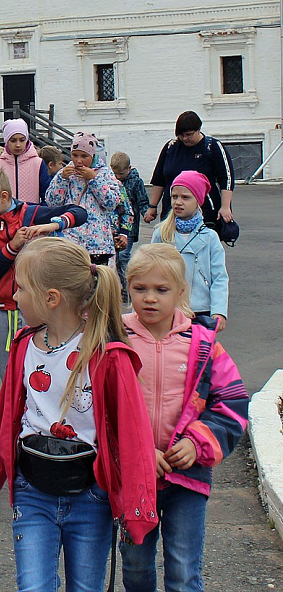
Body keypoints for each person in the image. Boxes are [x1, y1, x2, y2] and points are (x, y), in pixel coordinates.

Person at [0, 237, 159, 592]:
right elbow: (8, 421)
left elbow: (135, 439)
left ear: (51, 298)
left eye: (20, 288)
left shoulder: (108, 355)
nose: (14, 296)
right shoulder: (23, 345)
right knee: (33, 587)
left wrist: (138, 509)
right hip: (31, 491)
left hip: (91, 497)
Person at [121, 244, 248, 592]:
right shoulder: (115, 338)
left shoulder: (203, 344)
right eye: (140, 288)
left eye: (161, 290)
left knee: (183, 568)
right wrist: (139, 453)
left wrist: (198, 442)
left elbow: (233, 402)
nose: (150, 298)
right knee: (135, 566)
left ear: (180, 291)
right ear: (127, 287)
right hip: (134, 476)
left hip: (188, 476)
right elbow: (100, 408)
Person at [0, 164, 87, 379]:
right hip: (3, 311)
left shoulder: (31, 214)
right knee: (8, 373)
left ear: (4, 196)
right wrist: (12, 247)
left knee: (42, 368)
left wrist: (54, 225)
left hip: (38, 306)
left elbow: (79, 213)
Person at [151, 170, 229, 329]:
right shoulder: (161, 234)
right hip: (168, 309)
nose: (178, 202)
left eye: (185, 197)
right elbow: (148, 273)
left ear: (198, 201)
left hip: (201, 311)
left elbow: (219, 277)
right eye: (174, 197)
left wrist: (219, 311)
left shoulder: (210, 237)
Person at [145, 110, 235, 233]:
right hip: (172, 211)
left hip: (205, 212)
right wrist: (153, 206)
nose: (185, 138)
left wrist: (225, 207)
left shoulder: (212, 147)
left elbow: (227, 179)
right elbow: (159, 179)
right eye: (181, 135)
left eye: (189, 134)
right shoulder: (170, 147)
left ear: (198, 130)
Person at [45, 131, 121, 265]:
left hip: (98, 244)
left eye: (84, 156)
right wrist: (62, 179)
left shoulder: (104, 173)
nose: (79, 160)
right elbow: (52, 203)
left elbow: (112, 203)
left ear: (93, 155)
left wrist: (94, 180)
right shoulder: (65, 173)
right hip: (70, 240)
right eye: (75, 155)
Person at [110, 151, 150, 297]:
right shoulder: (110, 181)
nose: (118, 177)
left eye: (121, 174)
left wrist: (146, 213)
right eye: (115, 173)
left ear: (129, 168)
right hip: (113, 227)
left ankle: (129, 287)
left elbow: (142, 200)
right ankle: (121, 286)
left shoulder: (136, 182)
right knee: (115, 259)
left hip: (129, 228)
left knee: (123, 256)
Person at [0, 118, 50, 203]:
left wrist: (38, 210)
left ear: (27, 140)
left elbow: (46, 196)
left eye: (22, 140)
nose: (18, 145)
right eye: (13, 140)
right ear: (6, 141)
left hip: (31, 211)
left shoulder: (37, 163)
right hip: (6, 211)